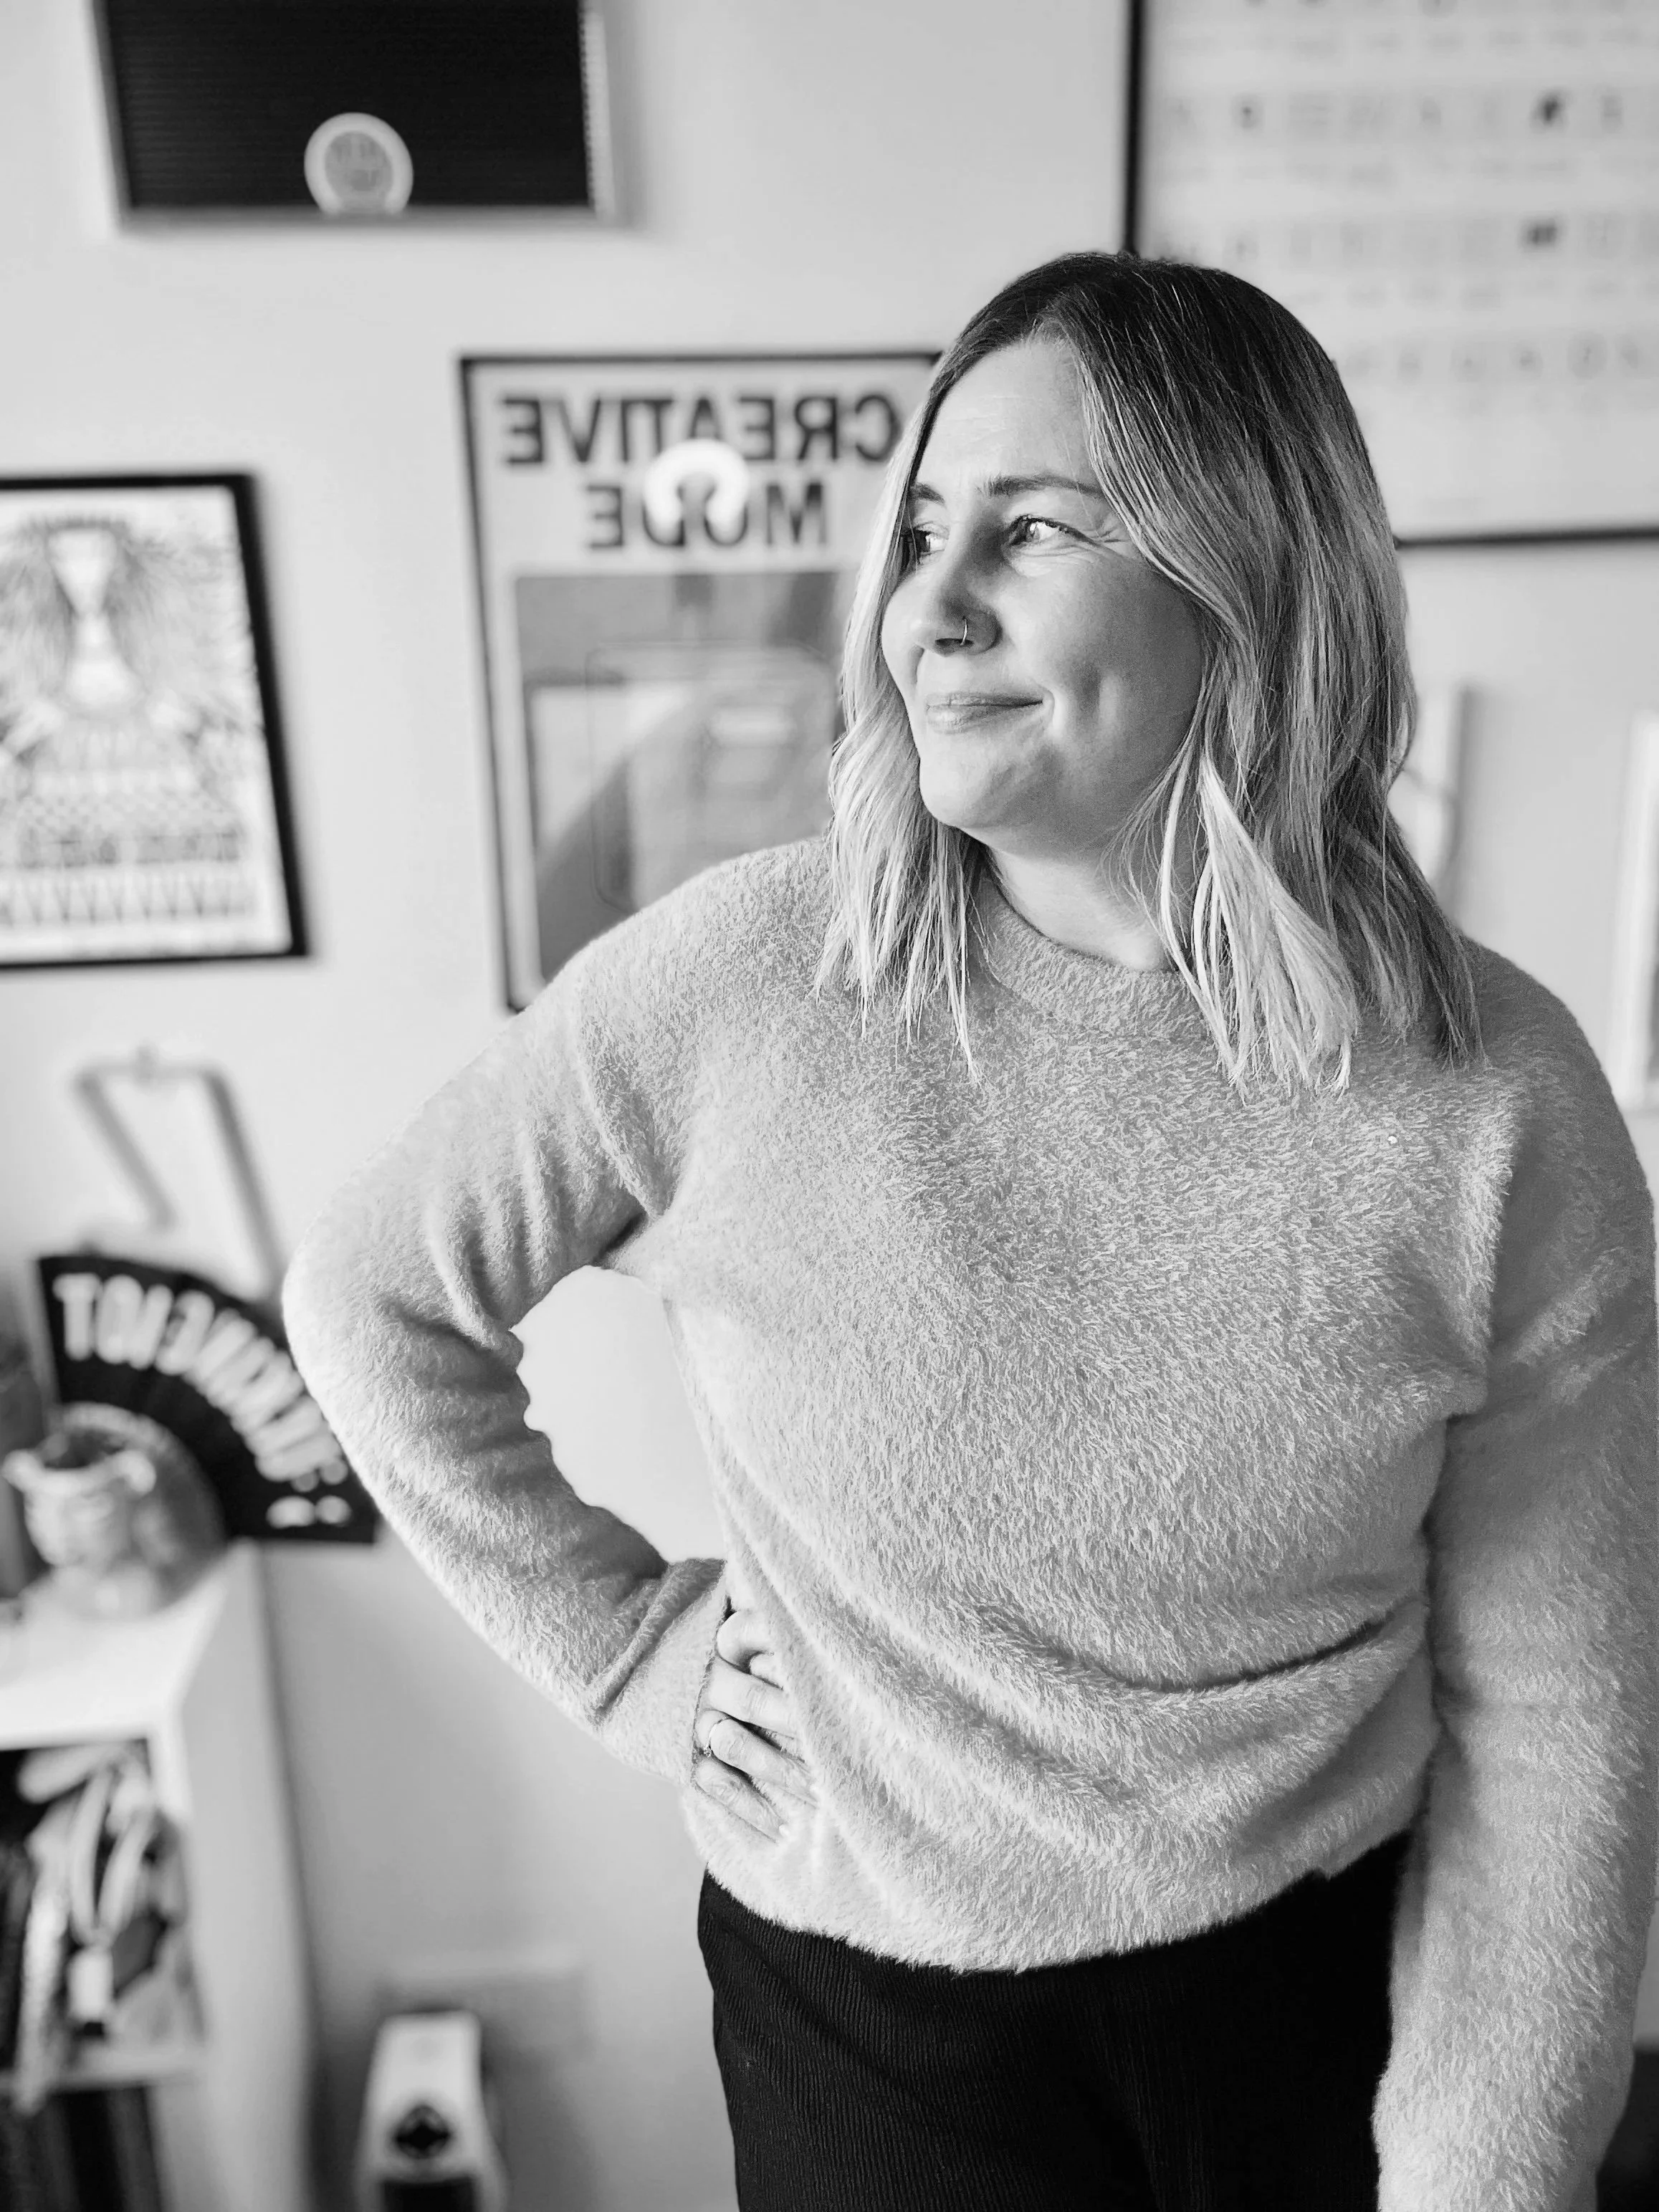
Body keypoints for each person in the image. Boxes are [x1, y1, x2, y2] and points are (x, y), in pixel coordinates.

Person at [281, 253, 1659, 2212]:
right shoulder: (741, 983)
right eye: (922, 529)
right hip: (874, 2038)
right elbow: (371, 1292)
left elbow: (1563, 1712)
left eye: (1031, 529)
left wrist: (1492, 2173)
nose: (927, 609)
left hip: (1320, 1988)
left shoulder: (1498, 1099)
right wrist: (622, 1651)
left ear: (1250, 579)